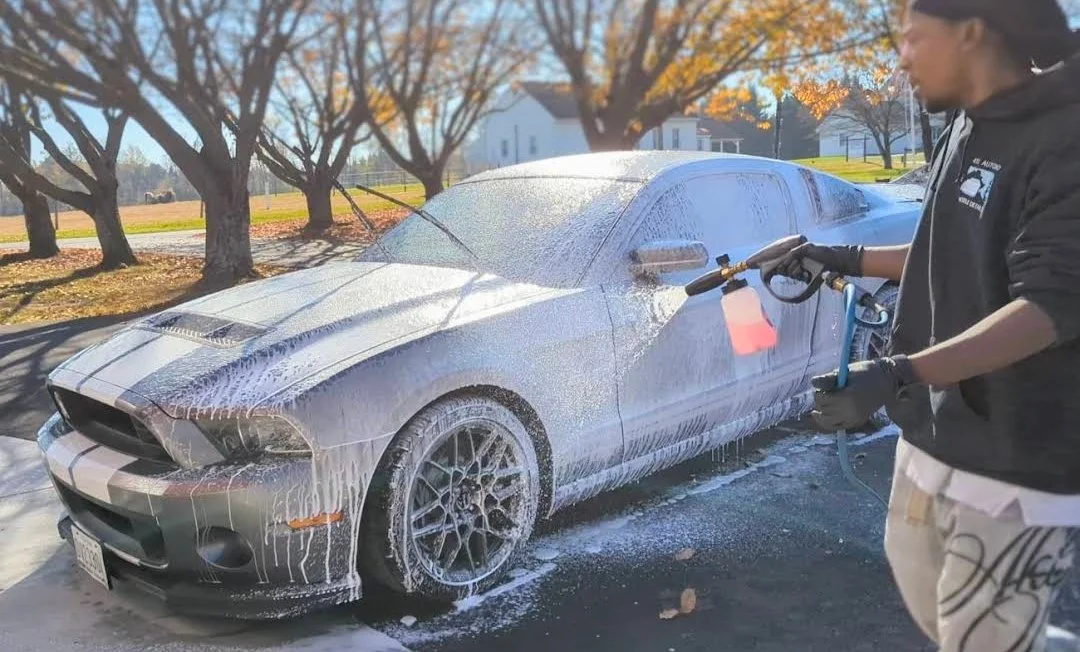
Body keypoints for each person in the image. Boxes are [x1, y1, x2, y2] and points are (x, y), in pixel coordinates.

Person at [775, 0, 1080, 650]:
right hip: (931, 438)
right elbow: (955, 242)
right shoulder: (969, 123)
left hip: (1016, 463)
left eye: (913, 39)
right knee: (937, 614)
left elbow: (1049, 309)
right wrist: (842, 257)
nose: (901, 59)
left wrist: (898, 371)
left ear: (971, 31)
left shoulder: (1065, 136)